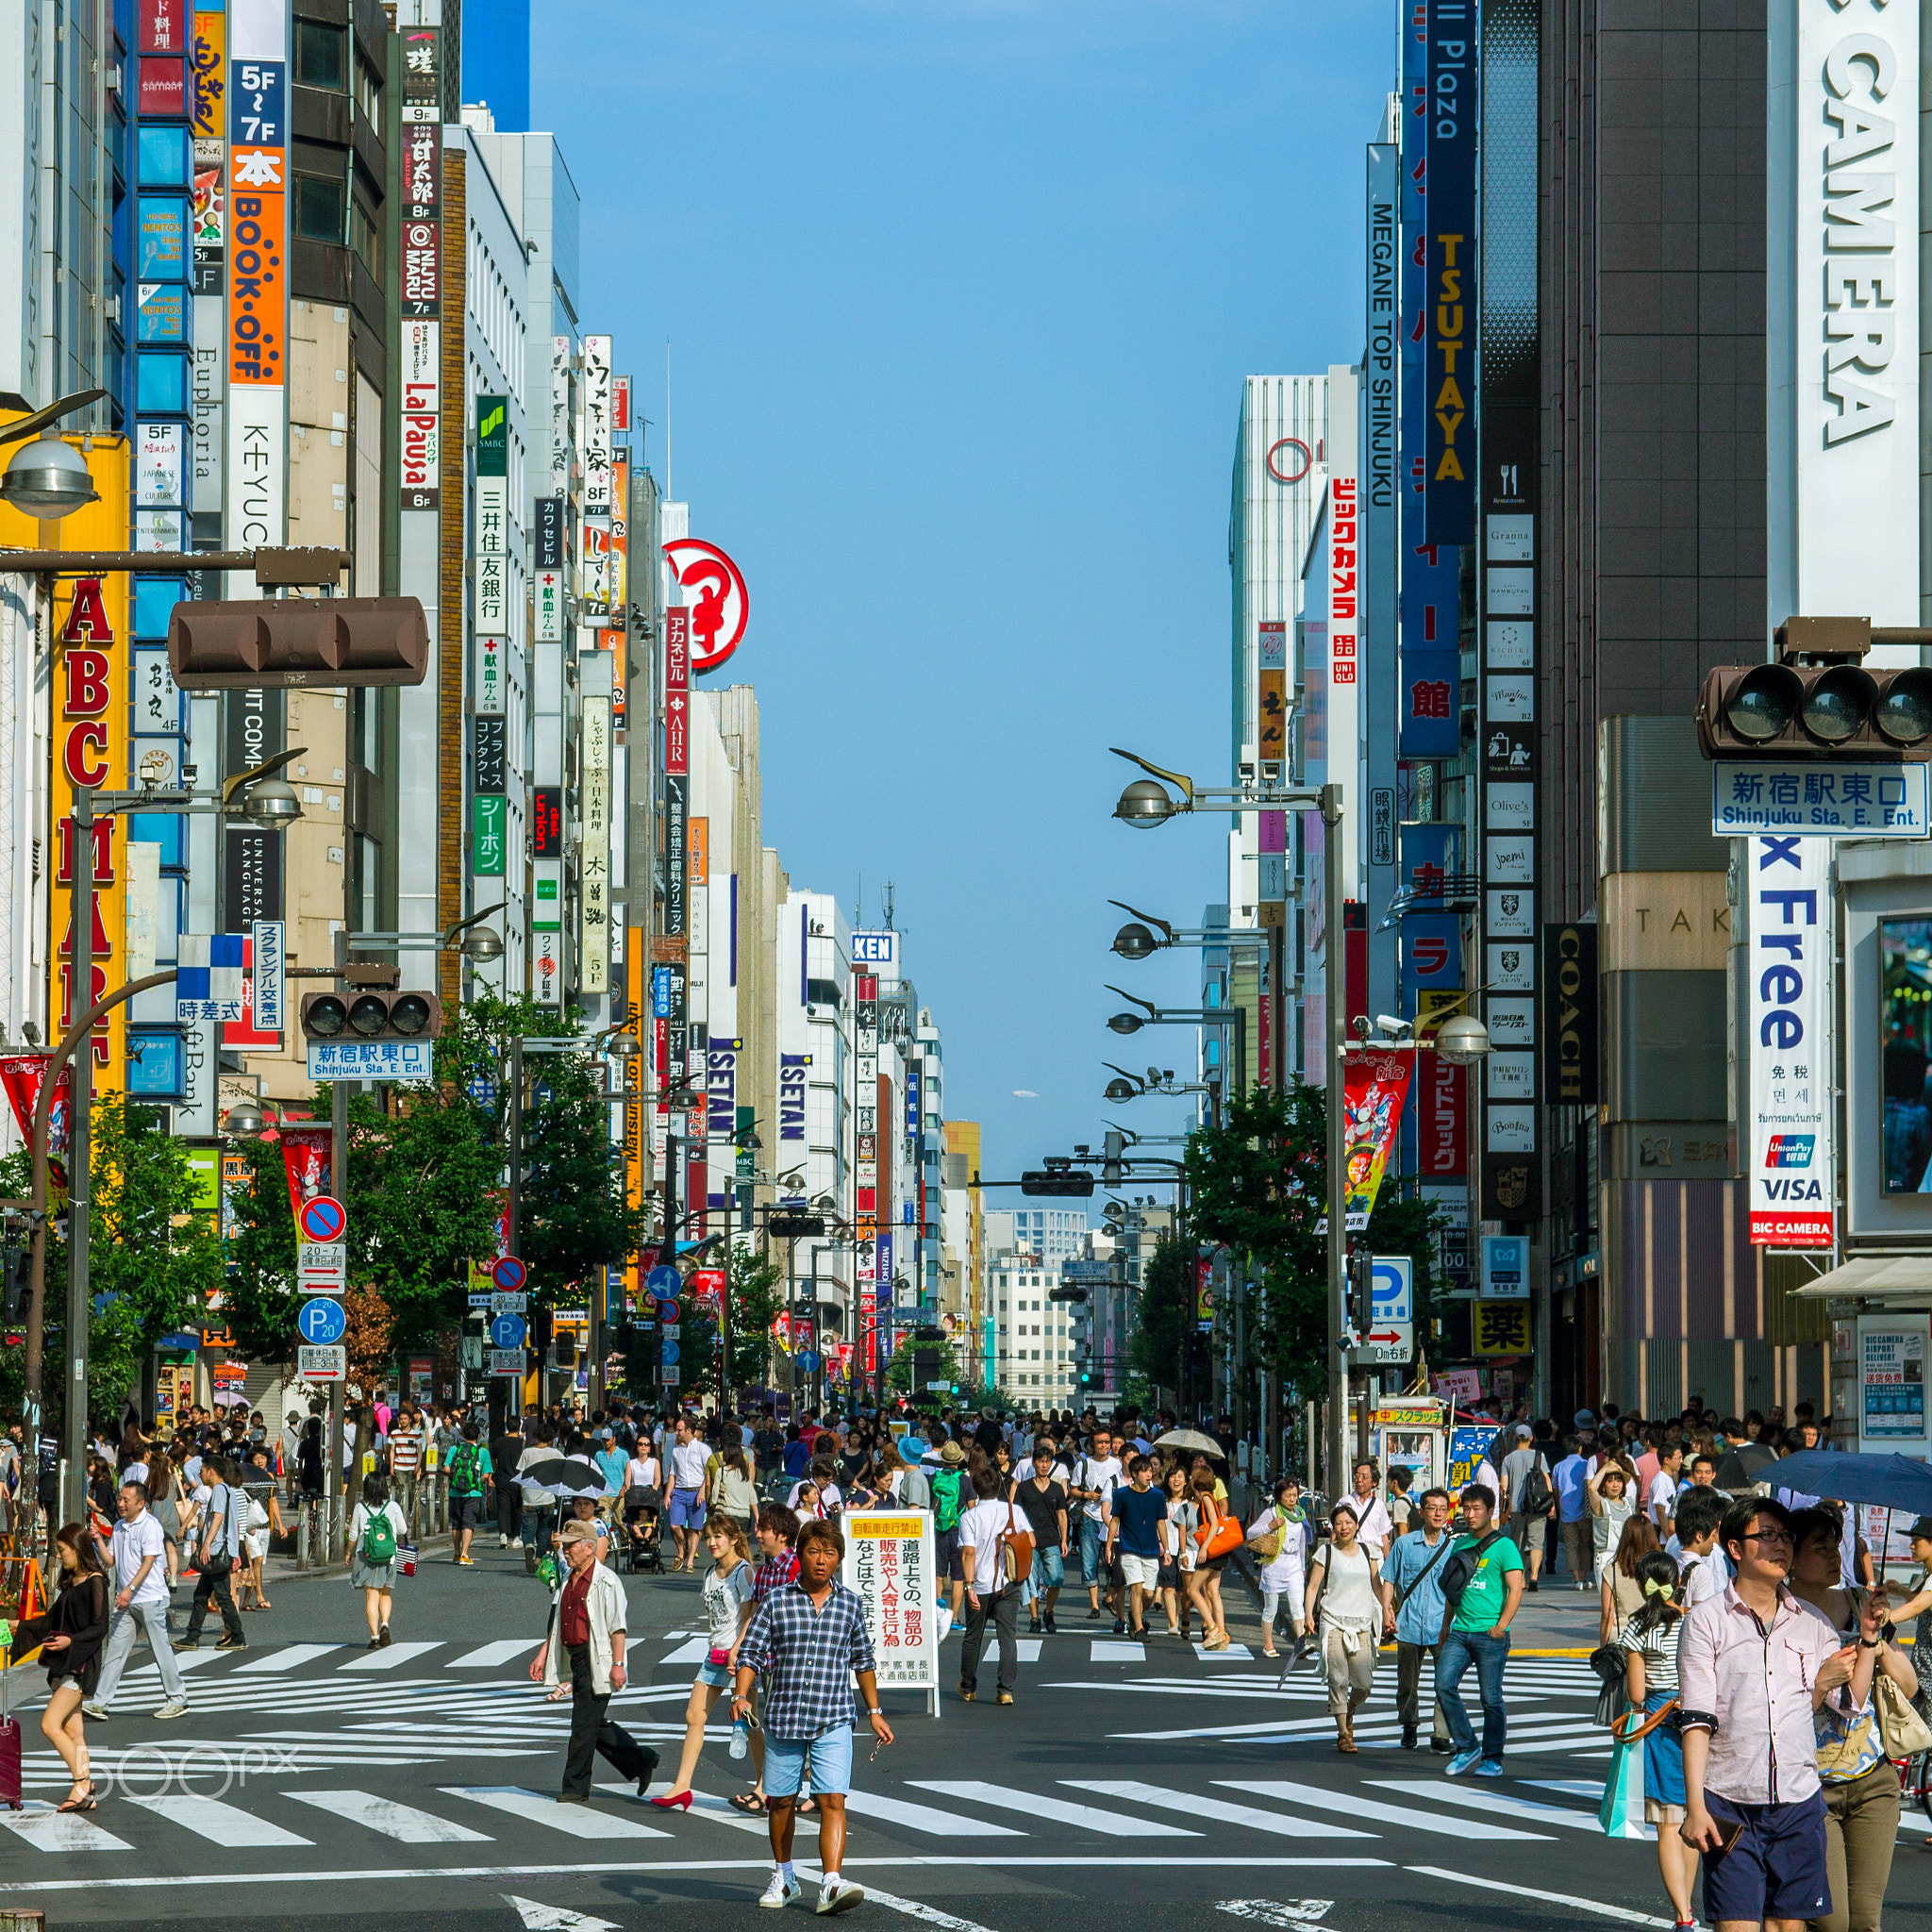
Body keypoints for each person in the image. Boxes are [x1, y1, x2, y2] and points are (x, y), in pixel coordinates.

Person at [1679, 1497, 1874, 1932]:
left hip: (1799, 1801)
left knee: (1790, 1926)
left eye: (1785, 1537)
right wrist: (1694, 1806)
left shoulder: (1813, 1621)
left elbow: (1850, 1703)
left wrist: (1869, 1641)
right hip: (1729, 1798)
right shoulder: (1707, 1621)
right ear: (1735, 1548)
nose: (1780, 1545)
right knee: (1737, 1926)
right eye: (1766, 1536)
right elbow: (1696, 1720)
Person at [729, 1518, 894, 1914]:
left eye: (830, 1553)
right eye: (814, 1552)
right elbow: (750, 1653)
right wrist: (740, 1694)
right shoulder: (777, 1600)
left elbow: (863, 1661)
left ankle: (830, 1883)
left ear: (839, 1559)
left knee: (832, 1799)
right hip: (785, 1717)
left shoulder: (849, 1604)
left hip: (834, 1717)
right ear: (801, 1555)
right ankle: (784, 1877)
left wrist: (874, 1712)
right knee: (781, 1802)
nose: (821, 1561)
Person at [1786, 1505, 1915, 1932]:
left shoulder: (1860, 1602)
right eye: (1819, 1546)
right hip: (1811, 1789)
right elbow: (1844, 1700)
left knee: (1865, 1922)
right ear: (1790, 1555)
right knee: (1831, 1923)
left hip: (1872, 1780)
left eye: (1835, 1545)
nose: (1832, 1555)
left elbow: (1909, 1684)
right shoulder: (1781, 1619)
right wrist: (1858, 1645)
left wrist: (1874, 1638)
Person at [531, 1517, 658, 1803]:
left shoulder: (606, 1581)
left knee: (582, 1725)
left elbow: (617, 1627)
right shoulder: (568, 1579)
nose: (566, 1550)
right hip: (575, 1658)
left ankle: (575, 1787)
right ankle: (641, 1761)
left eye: (571, 1545)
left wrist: (618, 1664)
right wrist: (543, 1652)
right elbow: (558, 1622)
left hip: (596, 1659)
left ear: (589, 1548)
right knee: (592, 1724)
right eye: (564, 1545)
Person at [652, 1517, 758, 1807]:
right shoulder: (709, 1573)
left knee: (749, 1723)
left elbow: (751, 1616)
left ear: (734, 1539)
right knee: (694, 1715)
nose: (712, 1542)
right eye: (709, 1537)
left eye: (719, 1537)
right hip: (715, 1656)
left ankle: (765, 1786)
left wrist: (738, 1650)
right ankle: (682, 1787)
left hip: (741, 1658)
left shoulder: (744, 1572)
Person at [5, 1522, 110, 1811]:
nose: (59, 1555)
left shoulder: (96, 1581)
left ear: (77, 1549)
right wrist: (16, 1625)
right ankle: (85, 1794)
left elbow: (101, 1627)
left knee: (50, 1724)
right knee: (74, 1732)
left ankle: (82, 1783)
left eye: (62, 1550)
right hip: (67, 1665)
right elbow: (49, 1622)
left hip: (81, 1665)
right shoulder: (71, 1583)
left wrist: (69, 1641)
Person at [1615, 1549, 1695, 1927]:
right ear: (1677, 1582)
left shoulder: (1635, 1628)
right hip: (1696, 1721)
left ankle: (1683, 1915)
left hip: (1660, 1725)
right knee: (1695, 1817)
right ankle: (1690, 1904)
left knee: (1667, 1824)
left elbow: (1635, 1695)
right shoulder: (1694, 1623)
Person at [1434, 1482, 1524, 1775]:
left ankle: (1492, 1758)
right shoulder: (1460, 1544)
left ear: (1489, 1511)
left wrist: (1502, 1626)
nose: (1470, 1514)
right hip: (1460, 1631)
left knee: (1491, 1698)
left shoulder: (1504, 1546)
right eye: (1466, 1508)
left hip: (1490, 1633)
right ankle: (1466, 1745)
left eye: (1476, 1509)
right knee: (1443, 1685)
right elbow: (1453, 1590)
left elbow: (1515, 1589)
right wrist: (1446, 1625)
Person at [81, 1479, 190, 1722]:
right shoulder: (119, 1526)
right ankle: (100, 1702)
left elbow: (149, 1561)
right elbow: (110, 1561)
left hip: (149, 1597)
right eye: (119, 1498)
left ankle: (178, 1699)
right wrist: (98, 1539)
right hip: (126, 1601)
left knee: (161, 1650)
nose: (120, 1503)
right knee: (115, 1652)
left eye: (125, 1500)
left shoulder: (150, 1526)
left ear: (140, 1504)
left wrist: (129, 1589)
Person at [1381, 1485, 1456, 1752]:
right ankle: (1409, 1724)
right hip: (1409, 1624)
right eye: (1432, 1509)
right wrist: (1387, 1610)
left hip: (1442, 1626)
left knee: (1446, 1683)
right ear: (1421, 1512)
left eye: (1443, 1509)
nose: (1438, 1514)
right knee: (1407, 1683)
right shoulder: (1404, 1544)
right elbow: (1388, 1579)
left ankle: (1441, 1735)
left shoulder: (1453, 1548)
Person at [1305, 1500, 1383, 1752]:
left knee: (1363, 1682)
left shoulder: (1367, 1552)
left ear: (1357, 1525)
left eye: (1348, 1522)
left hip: (1361, 1624)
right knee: (1337, 1678)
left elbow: (1377, 1585)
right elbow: (1313, 1588)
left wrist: (1388, 1609)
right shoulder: (1325, 1553)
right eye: (1339, 1523)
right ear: (1332, 1528)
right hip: (1333, 1622)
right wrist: (1308, 1615)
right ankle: (1343, 1734)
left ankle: (1349, 1713)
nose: (1344, 1527)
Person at [958, 1461, 1023, 1704]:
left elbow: (968, 1554)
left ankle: (968, 1686)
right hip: (1009, 1582)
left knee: (974, 1635)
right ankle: (1005, 1690)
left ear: (975, 1488)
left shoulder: (970, 1517)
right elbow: (1032, 1541)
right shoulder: (1013, 1511)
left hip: (980, 1585)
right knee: (1007, 1636)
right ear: (999, 1487)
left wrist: (969, 1586)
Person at [174, 1454, 246, 1652]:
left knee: (222, 1596)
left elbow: (218, 1518)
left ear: (211, 1472)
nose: (200, 1474)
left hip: (216, 1551)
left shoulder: (220, 1491)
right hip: (220, 1549)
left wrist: (206, 1543)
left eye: (203, 1470)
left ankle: (237, 1636)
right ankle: (192, 1636)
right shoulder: (226, 1490)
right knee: (201, 1594)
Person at [1247, 1474, 1309, 1661]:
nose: (1292, 1499)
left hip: (1294, 1566)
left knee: (1298, 1607)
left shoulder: (1299, 1514)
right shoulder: (1272, 1513)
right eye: (1288, 1495)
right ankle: (1268, 1644)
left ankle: (1301, 1644)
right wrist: (1270, 1526)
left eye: (1295, 1495)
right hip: (1274, 1564)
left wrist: (1303, 1564)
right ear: (1280, 1496)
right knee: (1271, 1608)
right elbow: (1251, 1533)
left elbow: (1302, 1541)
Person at [1108, 1454, 1169, 1638]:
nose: (1148, 1474)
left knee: (1148, 1594)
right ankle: (1139, 1628)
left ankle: (1136, 1616)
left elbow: (1161, 1523)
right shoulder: (1121, 1494)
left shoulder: (1158, 1495)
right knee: (1136, 1588)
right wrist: (1109, 1545)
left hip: (1151, 1549)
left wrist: (1166, 1549)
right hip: (1129, 1548)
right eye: (1144, 1471)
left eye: (1150, 1470)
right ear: (1134, 1474)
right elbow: (1115, 1519)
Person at [349, 1471, 409, 1649]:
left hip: (366, 1554)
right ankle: (385, 1624)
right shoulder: (392, 1506)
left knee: (371, 1596)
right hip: (389, 1555)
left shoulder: (361, 1507)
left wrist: (348, 1552)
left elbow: (354, 1532)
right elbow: (402, 1530)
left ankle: (374, 1637)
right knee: (386, 1592)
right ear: (384, 1487)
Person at [1067, 1426, 1121, 1622]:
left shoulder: (1117, 1465)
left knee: (1113, 1562)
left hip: (1112, 1518)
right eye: (1100, 1442)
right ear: (1092, 1444)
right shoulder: (1084, 1465)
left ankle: (1108, 1597)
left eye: (1107, 1442)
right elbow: (1072, 1490)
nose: (1104, 1446)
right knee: (1088, 1561)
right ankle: (1094, 1605)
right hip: (1089, 1516)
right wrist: (1086, 1495)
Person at [1014, 1447, 1068, 1635]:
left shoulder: (1056, 1488)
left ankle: (1049, 1611)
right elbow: (1017, 1514)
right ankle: (1034, 1618)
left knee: (1056, 1578)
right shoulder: (1024, 1487)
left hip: (1052, 1539)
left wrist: (1064, 1539)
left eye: (1047, 1461)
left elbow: (1062, 1514)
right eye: (1040, 1461)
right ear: (1034, 1463)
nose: (1044, 1465)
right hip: (1029, 1541)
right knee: (1031, 1582)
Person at [1500, 1424, 1554, 1592]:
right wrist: (1551, 1503)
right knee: (1536, 1542)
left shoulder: (1508, 1459)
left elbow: (1503, 1486)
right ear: (1531, 1438)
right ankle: (1534, 1577)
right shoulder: (1539, 1456)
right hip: (1537, 1506)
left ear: (1515, 1439)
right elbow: (1546, 1479)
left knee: (1518, 1543)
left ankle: (1521, 1579)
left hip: (1517, 1507)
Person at [1603, 1512, 1662, 1643]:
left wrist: (1603, 1649)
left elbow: (1607, 1615)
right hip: (1653, 1636)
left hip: (1622, 1637)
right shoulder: (1659, 1567)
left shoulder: (1612, 1570)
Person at [666, 1415, 712, 1572]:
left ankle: (690, 1561)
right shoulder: (676, 1450)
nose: (676, 1433)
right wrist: (667, 1494)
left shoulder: (703, 1449)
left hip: (696, 1491)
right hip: (679, 1491)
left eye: (679, 1430)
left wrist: (702, 1491)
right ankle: (681, 1550)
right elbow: (673, 1474)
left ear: (689, 1431)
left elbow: (709, 1473)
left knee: (694, 1528)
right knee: (674, 1525)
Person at [1587, 1457, 1639, 1581]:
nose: (1615, 1485)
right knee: (1608, 1599)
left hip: (1626, 1558)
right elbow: (1591, 1488)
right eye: (1610, 1481)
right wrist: (1605, 1468)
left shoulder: (1629, 1503)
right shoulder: (1601, 1504)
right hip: (1606, 1558)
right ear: (1603, 1485)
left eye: (1619, 1481)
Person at [1552, 1432, 1593, 1589]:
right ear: (1580, 1449)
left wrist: (1559, 1506)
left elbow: (1555, 1490)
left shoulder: (1558, 1467)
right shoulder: (1586, 1465)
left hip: (1566, 1512)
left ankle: (1576, 1580)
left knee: (1570, 1545)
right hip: (1584, 1511)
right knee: (1584, 1544)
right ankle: (1584, 1578)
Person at [445, 1420, 490, 1566]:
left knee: (456, 1524)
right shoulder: (482, 1452)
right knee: (468, 1524)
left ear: (463, 1435)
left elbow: (446, 1469)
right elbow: (486, 1474)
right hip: (473, 1493)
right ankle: (465, 1554)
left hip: (454, 1493)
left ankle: (457, 1553)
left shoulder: (454, 1449)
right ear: (478, 1435)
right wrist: (478, 1482)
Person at [1346, 1460, 1393, 1561]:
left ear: (1374, 1482)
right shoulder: (1345, 1503)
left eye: (1364, 1477)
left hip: (1375, 1557)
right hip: (1352, 1556)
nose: (1359, 1480)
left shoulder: (1379, 1505)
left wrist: (1388, 1562)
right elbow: (1335, 1534)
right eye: (1357, 1476)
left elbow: (1383, 1536)